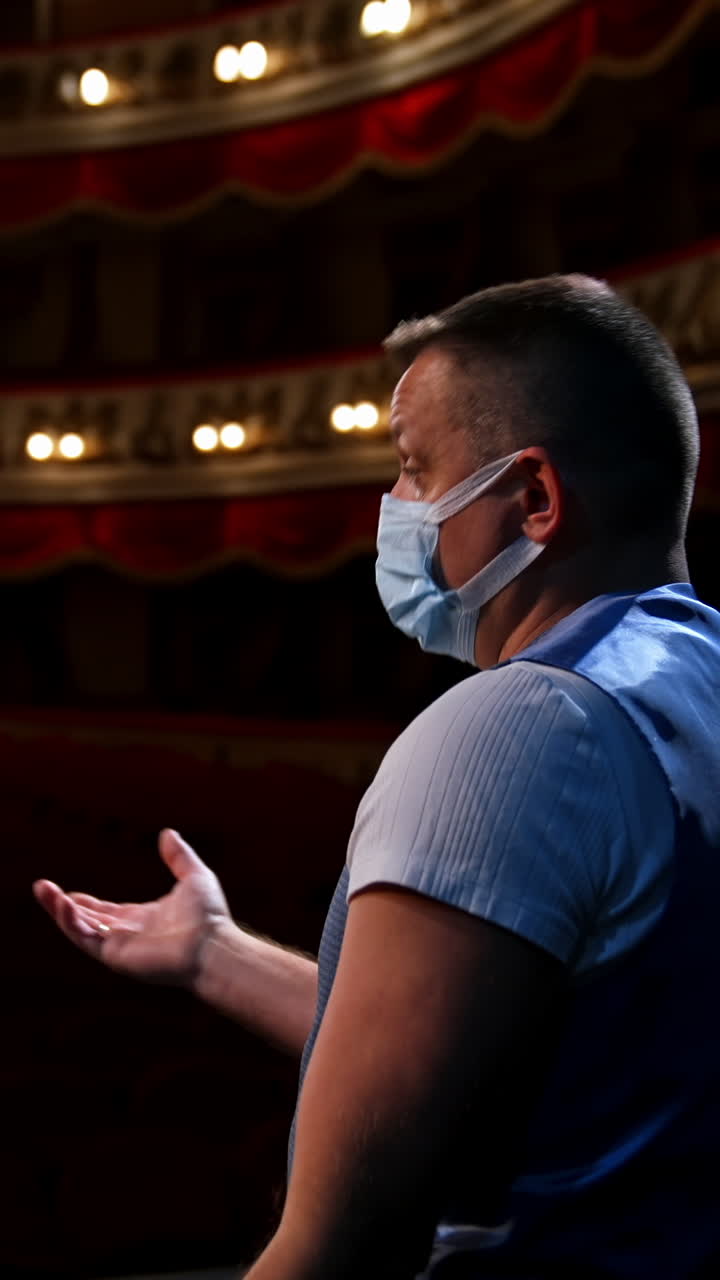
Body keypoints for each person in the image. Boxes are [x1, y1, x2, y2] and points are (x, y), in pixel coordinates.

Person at [34, 275, 720, 1280]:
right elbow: (509, 1036)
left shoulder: (519, 726)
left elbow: (342, 1245)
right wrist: (214, 954)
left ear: (532, 497)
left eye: (413, 466)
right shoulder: (694, 680)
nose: (396, 508)